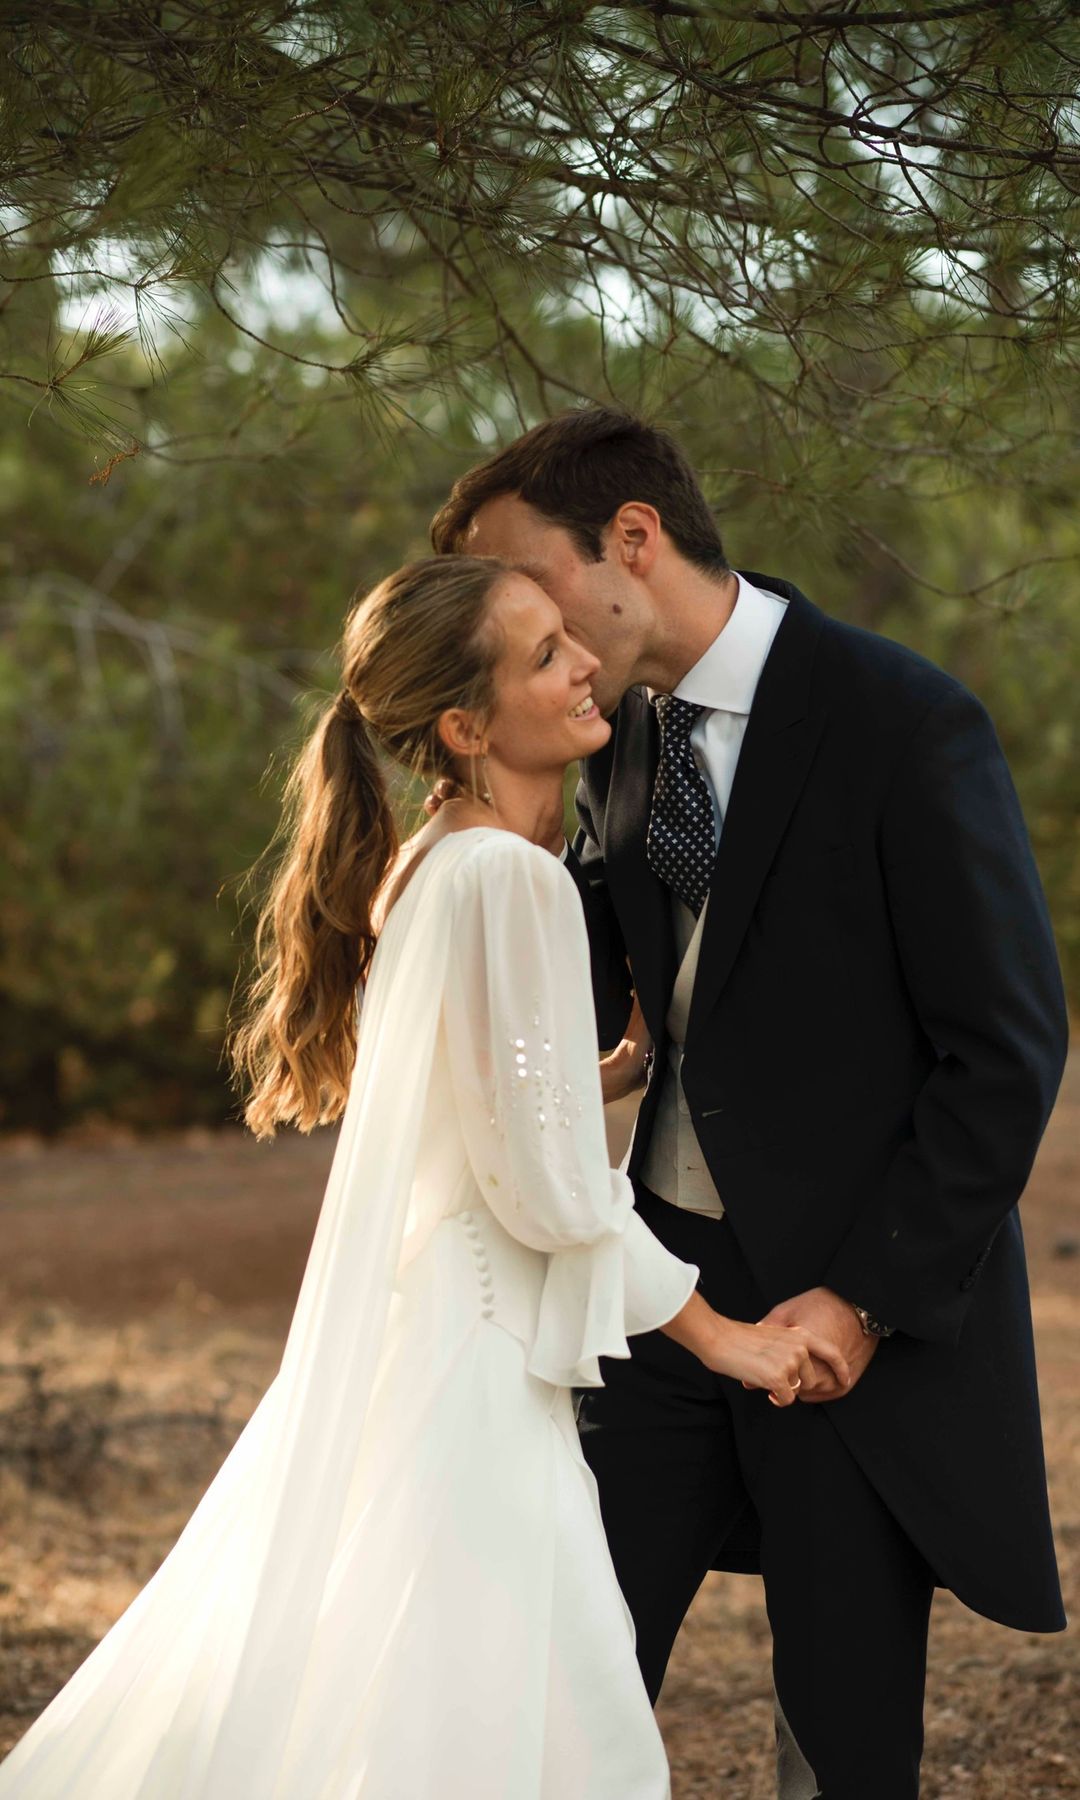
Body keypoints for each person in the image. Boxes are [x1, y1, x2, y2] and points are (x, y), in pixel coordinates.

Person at [0, 555, 850, 1799]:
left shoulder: (432, 861)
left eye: (571, 636)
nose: (582, 665)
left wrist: (595, 1074)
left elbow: (481, 1099)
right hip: (479, 1361)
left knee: (411, 1681)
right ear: (464, 724)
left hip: (433, 1327)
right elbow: (552, 1194)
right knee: (512, 1709)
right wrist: (728, 1341)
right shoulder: (514, 876)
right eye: (544, 655)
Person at [431, 407, 1070, 1800]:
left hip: (845, 1312)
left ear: (634, 542)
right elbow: (645, 982)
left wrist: (866, 1298)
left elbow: (1006, 1050)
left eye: (530, 582)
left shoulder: (904, 722)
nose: (519, 620)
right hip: (653, 1296)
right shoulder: (621, 737)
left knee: (841, 1737)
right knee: (567, 1662)